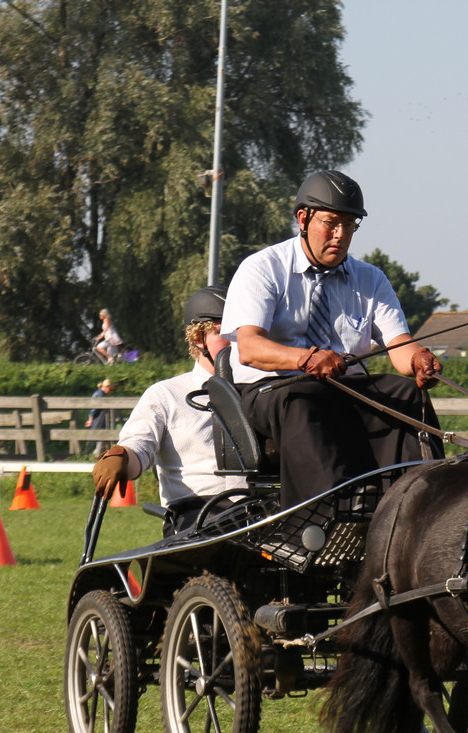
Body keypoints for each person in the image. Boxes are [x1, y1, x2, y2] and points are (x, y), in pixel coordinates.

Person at [221, 169, 444, 511]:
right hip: (274, 389)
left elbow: (400, 348)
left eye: (350, 225)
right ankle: (323, 513)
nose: (340, 234)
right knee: (302, 400)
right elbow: (250, 348)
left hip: (344, 389)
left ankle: (417, 505)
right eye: (331, 223)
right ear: (303, 219)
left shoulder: (370, 279)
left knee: (407, 392)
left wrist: (418, 359)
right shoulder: (263, 269)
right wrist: (306, 359)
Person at [92, 287, 248, 534]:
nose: (237, 341)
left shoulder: (261, 389)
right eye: (224, 332)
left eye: (241, 331)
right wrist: (121, 457)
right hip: (197, 514)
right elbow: (139, 444)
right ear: (198, 338)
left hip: (260, 506)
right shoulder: (166, 395)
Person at [85, 378, 115, 456]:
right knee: (100, 437)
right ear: (106, 387)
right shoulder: (100, 395)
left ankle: (98, 454)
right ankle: (97, 455)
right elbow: (93, 409)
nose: (111, 392)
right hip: (98, 419)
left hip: (100, 419)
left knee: (101, 437)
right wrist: (90, 420)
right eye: (110, 389)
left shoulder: (100, 394)